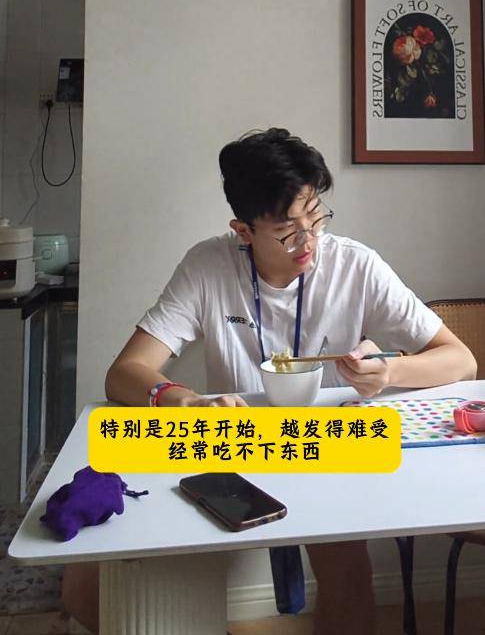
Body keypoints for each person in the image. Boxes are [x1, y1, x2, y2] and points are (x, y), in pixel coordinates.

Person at [62, 128, 476, 634]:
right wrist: (183, 400)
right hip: (234, 443)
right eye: (287, 230)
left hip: (328, 445)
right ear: (243, 230)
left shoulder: (355, 266)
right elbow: (124, 374)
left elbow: (461, 361)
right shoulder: (207, 266)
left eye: (315, 216)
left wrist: (390, 372)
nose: (309, 240)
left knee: (348, 574)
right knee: (85, 586)